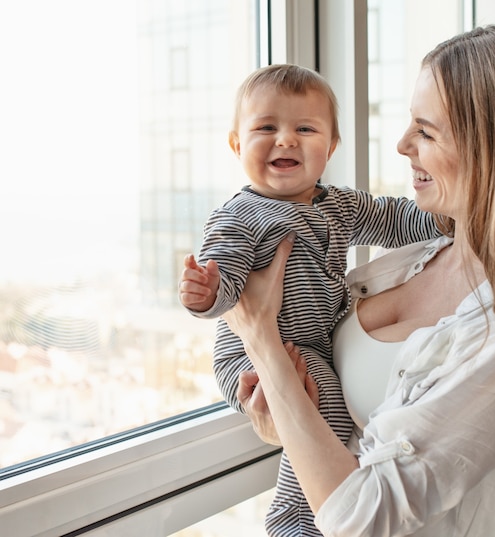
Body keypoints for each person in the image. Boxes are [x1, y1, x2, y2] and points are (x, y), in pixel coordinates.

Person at [224, 25, 495, 537]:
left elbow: (363, 516)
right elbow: (349, 437)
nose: (403, 144)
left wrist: (260, 339)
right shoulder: (414, 260)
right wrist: (292, 416)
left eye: (426, 132)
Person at [178, 64, 441, 535]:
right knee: (328, 415)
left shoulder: (339, 205)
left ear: (331, 147)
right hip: (251, 357)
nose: (285, 140)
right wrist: (206, 292)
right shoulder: (240, 216)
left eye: (305, 128)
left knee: (328, 417)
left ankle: (315, 510)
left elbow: (399, 220)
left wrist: (451, 222)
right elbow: (227, 284)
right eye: (265, 128)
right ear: (237, 145)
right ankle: (295, 518)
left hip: (310, 346)